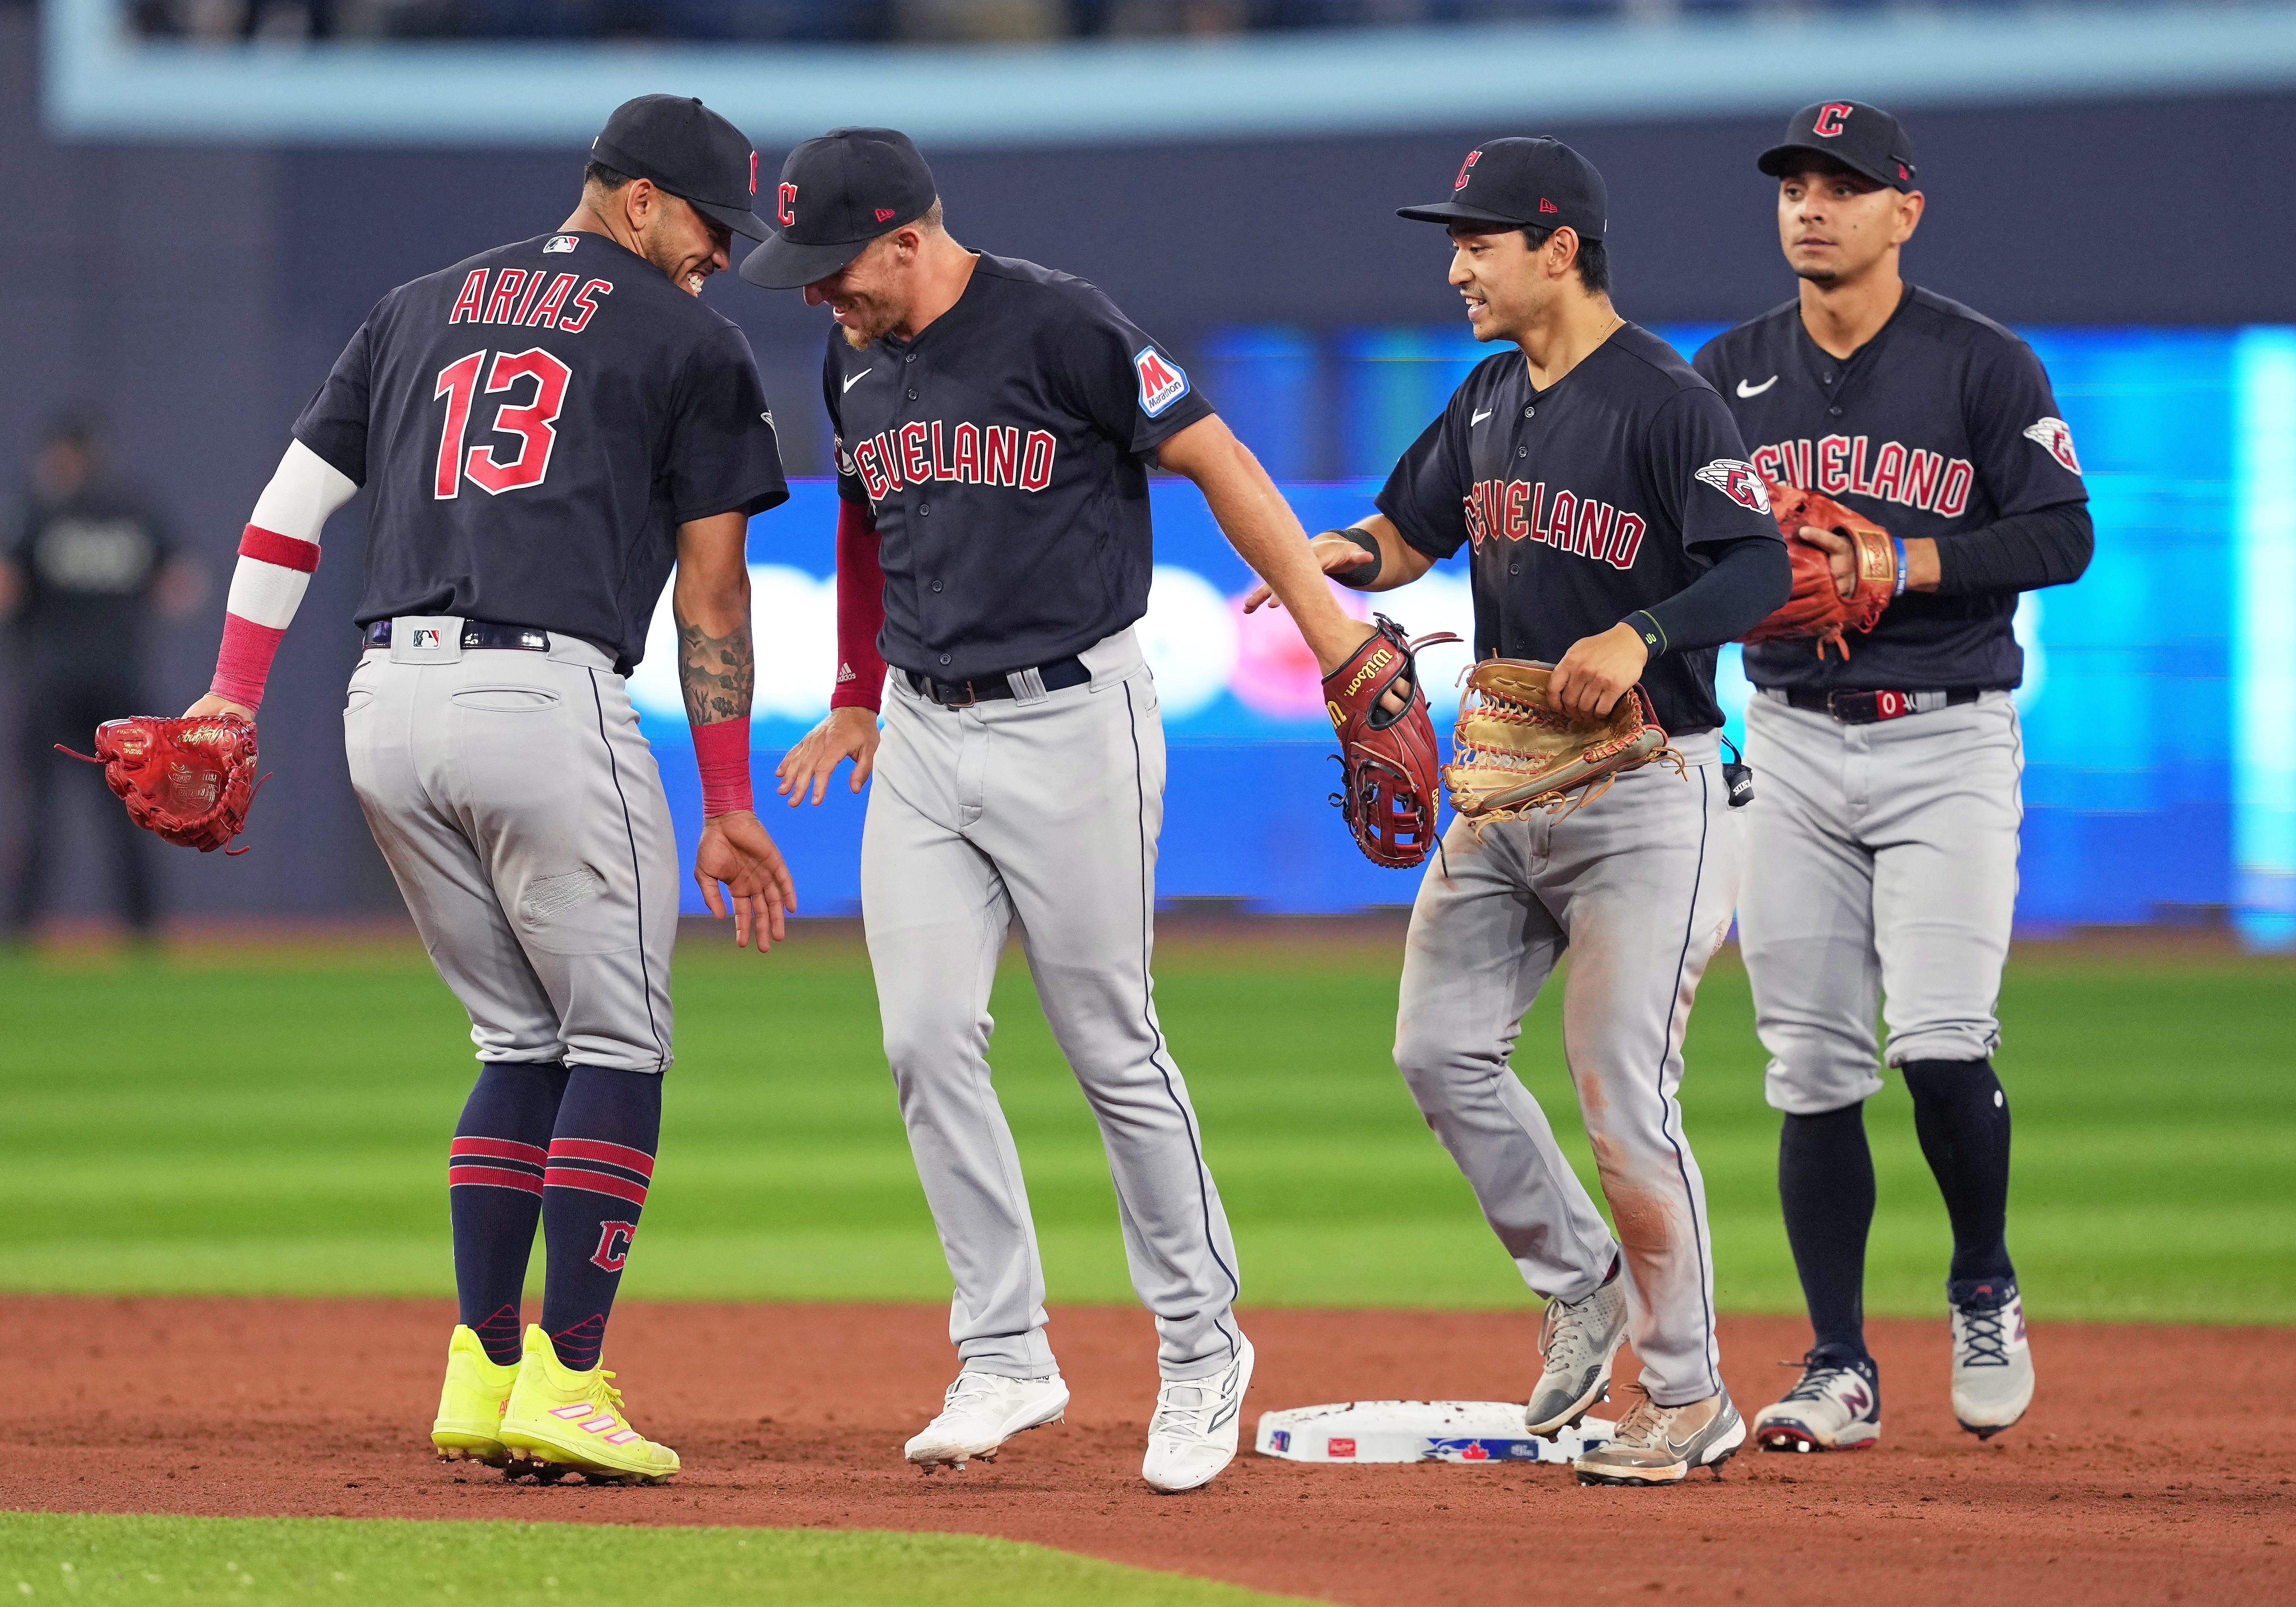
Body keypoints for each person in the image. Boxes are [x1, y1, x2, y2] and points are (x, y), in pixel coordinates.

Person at [750, 127, 1381, 1494]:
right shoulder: (850, 356)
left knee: (1109, 1038)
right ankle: (1004, 1349)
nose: (819, 295)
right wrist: (858, 688)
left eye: (835, 265)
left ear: (909, 237)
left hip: (1072, 715)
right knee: (924, 1036)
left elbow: (1218, 461)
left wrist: (1334, 641)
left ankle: (1205, 1345)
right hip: (920, 726)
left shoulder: (1064, 324)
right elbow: (867, 518)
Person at [178, 94, 796, 1484]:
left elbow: (288, 508)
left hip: (381, 705)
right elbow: (712, 588)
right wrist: (727, 794)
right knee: (620, 1043)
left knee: (517, 1043)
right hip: (543, 694)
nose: (717, 255)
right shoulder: (690, 339)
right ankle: (571, 1379)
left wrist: (228, 690)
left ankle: (484, 1361)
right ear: (636, 200)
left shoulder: (413, 305)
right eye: (708, 222)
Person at [1251, 137, 1791, 1487]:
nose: (1457, 266)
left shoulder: (1668, 400)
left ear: (1560, 248)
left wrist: (1644, 626)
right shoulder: (1492, 395)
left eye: (1480, 242)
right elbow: (1404, 532)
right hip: (1504, 787)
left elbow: (1759, 565)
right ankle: (1581, 1281)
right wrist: (1330, 558)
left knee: (1622, 1097)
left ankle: (1688, 1396)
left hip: (1650, 792)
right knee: (1440, 1051)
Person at [1693, 101, 2090, 1451]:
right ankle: (1838, 1364)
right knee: (1808, 1065)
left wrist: (1905, 561)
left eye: (1845, 186)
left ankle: (1983, 1282)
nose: (1813, 205)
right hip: (1794, 740)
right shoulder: (1726, 371)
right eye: (1797, 184)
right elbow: (1679, 558)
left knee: (1936, 1041)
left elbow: (2064, 535)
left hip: (1948, 740)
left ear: (1904, 210)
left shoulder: (1984, 366)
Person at [1, 415, 201, 939]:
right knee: (131, 809)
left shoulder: (41, 511)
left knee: (41, 812)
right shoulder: (134, 512)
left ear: (67, 458)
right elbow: (182, 587)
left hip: (52, 680)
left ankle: (22, 929)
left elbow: (8, 589)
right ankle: (144, 927)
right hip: (118, 684)